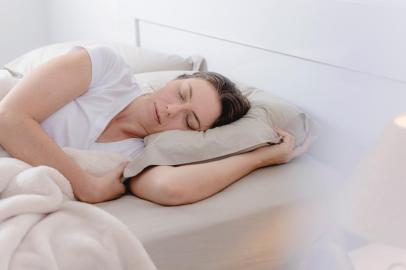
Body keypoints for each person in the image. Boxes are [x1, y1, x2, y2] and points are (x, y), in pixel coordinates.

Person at [0, 45, 309, 205]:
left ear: (195, 135)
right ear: (174, 79)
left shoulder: (139, 156)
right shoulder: (106, 69)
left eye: (189, 120)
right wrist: (88, 187)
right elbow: (8, 117)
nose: (171, 110)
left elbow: (170, 189)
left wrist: (262, 158)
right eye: (181, 94)